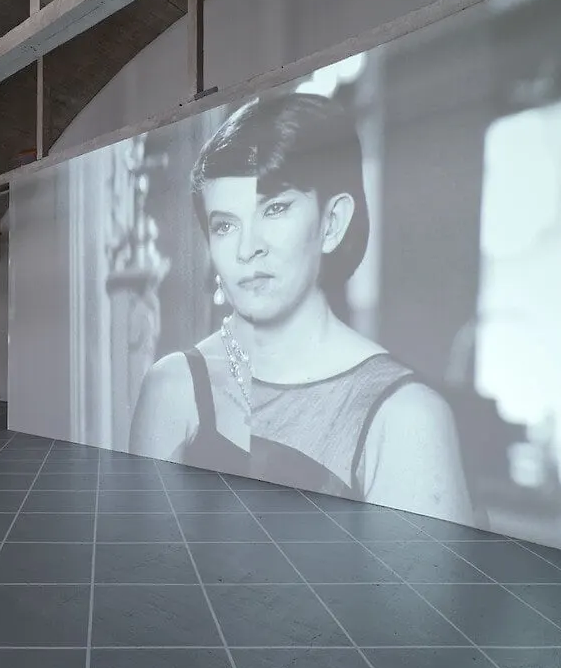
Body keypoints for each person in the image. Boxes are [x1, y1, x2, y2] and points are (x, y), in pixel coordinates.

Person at [131, 92, 471, 523]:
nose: (247, 248)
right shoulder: (172, 387)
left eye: (274, 209)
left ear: (332, 223)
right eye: (225, 225)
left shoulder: (408, 417)